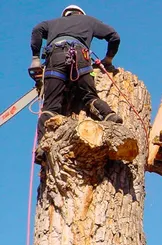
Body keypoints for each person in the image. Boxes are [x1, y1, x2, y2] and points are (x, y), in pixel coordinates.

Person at [30, 5, 123, 164]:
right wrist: (108, 60)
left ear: (65, 15)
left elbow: (37, 30)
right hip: (81, 57)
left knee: (50, 107)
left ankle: (43, 145)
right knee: (89, 96)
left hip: (55, 58)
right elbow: (114, 36)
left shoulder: (51, 23)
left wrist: (35, 58)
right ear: (80, 14)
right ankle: (109, 115)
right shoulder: (89, 21)